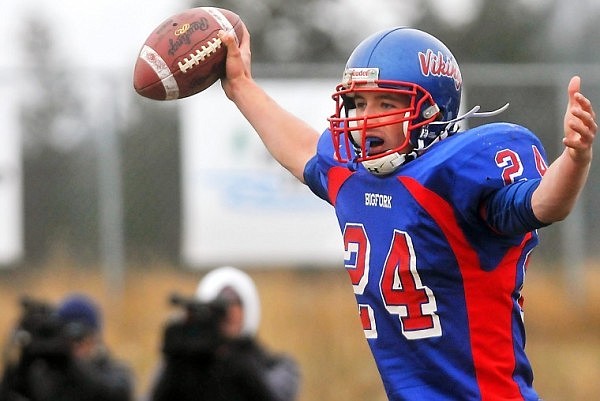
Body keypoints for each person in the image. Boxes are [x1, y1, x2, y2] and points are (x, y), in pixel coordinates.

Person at [214, 24, 597, 401]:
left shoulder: (453, 176)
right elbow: (301, 150)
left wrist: (575, 159)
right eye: (358, 103)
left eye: (386, 103)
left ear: (430, 111)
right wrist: (241, 87)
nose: (365, 119)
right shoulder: (351, 177)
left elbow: (542, 203)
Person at [148, 266, 300, 401]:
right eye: (222, 307)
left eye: (237, 303)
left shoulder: (277, 366)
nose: (230, 313)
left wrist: (231, 355)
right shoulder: (184, 364)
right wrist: (175, 365)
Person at [0, 294, 134, 401]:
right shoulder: (43, 377)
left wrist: (68, 361)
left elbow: (113, 393)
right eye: (67, 338)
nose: (75, 345)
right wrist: (22, 362)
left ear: (96, 338)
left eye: (80, 337)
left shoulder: (115, 373)